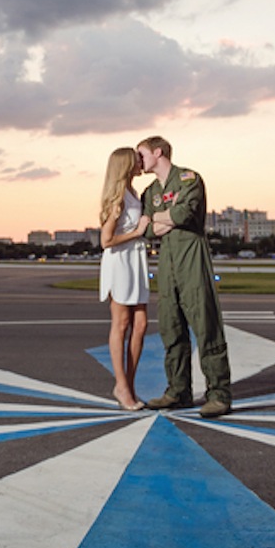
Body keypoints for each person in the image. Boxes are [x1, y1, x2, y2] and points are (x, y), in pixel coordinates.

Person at [136, 135, 232, 418]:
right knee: (170, 327)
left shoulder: (190, 179)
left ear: (158, 152)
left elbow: (185, 213)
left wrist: (160, 218)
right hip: (166, 263)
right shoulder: (150, 192)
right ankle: (178, 391)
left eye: (142, 154)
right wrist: (163, 220)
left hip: (192, 257)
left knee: (206, 325)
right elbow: (148, 229)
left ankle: (219, 394)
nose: (138, 161)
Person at [98, 146, 150, 411]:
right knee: (121, 324)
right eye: (136, 159)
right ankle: (121, 386)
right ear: (126, 164)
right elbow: (105, 240)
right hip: (120, 262)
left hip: (134, 261)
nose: (140, 162)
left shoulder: (133, 192)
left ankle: (128, 386)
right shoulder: (118, 197)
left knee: (141, 324)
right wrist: (137, 231)